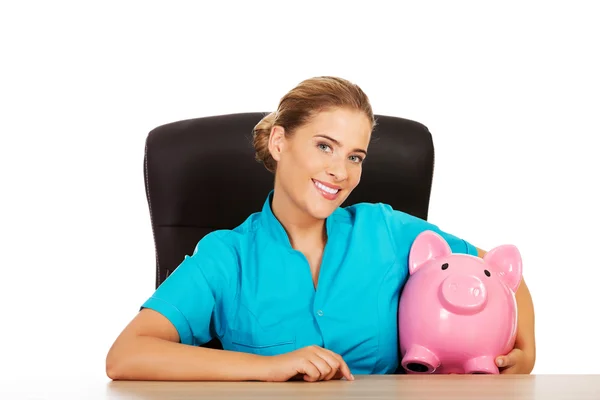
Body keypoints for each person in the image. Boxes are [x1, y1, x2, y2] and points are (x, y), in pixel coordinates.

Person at [105, 76, 536, 382]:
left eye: (355, 156)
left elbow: (499, 274)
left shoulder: (385, 230)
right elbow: (126, 355)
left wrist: (525, 350)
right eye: (324, 146)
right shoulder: (226, 256)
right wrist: (270, 368)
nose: (339, 171)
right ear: (279, 142)